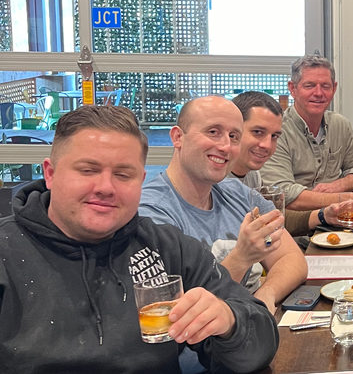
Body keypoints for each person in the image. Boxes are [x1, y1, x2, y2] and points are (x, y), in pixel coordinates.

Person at [1, 106, 277, 373]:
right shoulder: (7, 253)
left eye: (123, 175)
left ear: (141, 180)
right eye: (88, 170)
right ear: (50, 174)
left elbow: (260, 343)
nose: (106, 188)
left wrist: (230, 322)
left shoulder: (168, 247)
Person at [138, 96, 307, 315]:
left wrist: (266, 295)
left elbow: (292, 258)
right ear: (178, 137)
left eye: (234, 136)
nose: (226, 146)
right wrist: (241, 258)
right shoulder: (151, 214)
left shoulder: (238, 194)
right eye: (213, 132)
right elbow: (175, 314)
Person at [230, 90, 353, 237]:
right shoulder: (218, 181)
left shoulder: (253, 175)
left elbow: (272, 220)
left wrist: (323, 216)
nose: (267, 145)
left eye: (274, 136)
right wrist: (350, 198)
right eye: (257, 132)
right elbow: (285, 196)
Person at [260, 54, 353, 211]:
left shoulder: (340, 124)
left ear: (334, 89)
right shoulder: (277, 131)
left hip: (339, 217)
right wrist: (352, 198)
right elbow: (282, 194)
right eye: (309, 85)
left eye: (325, 86)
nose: (318, 93)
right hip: (296, 222)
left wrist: (339, 185)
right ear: (292, 88)